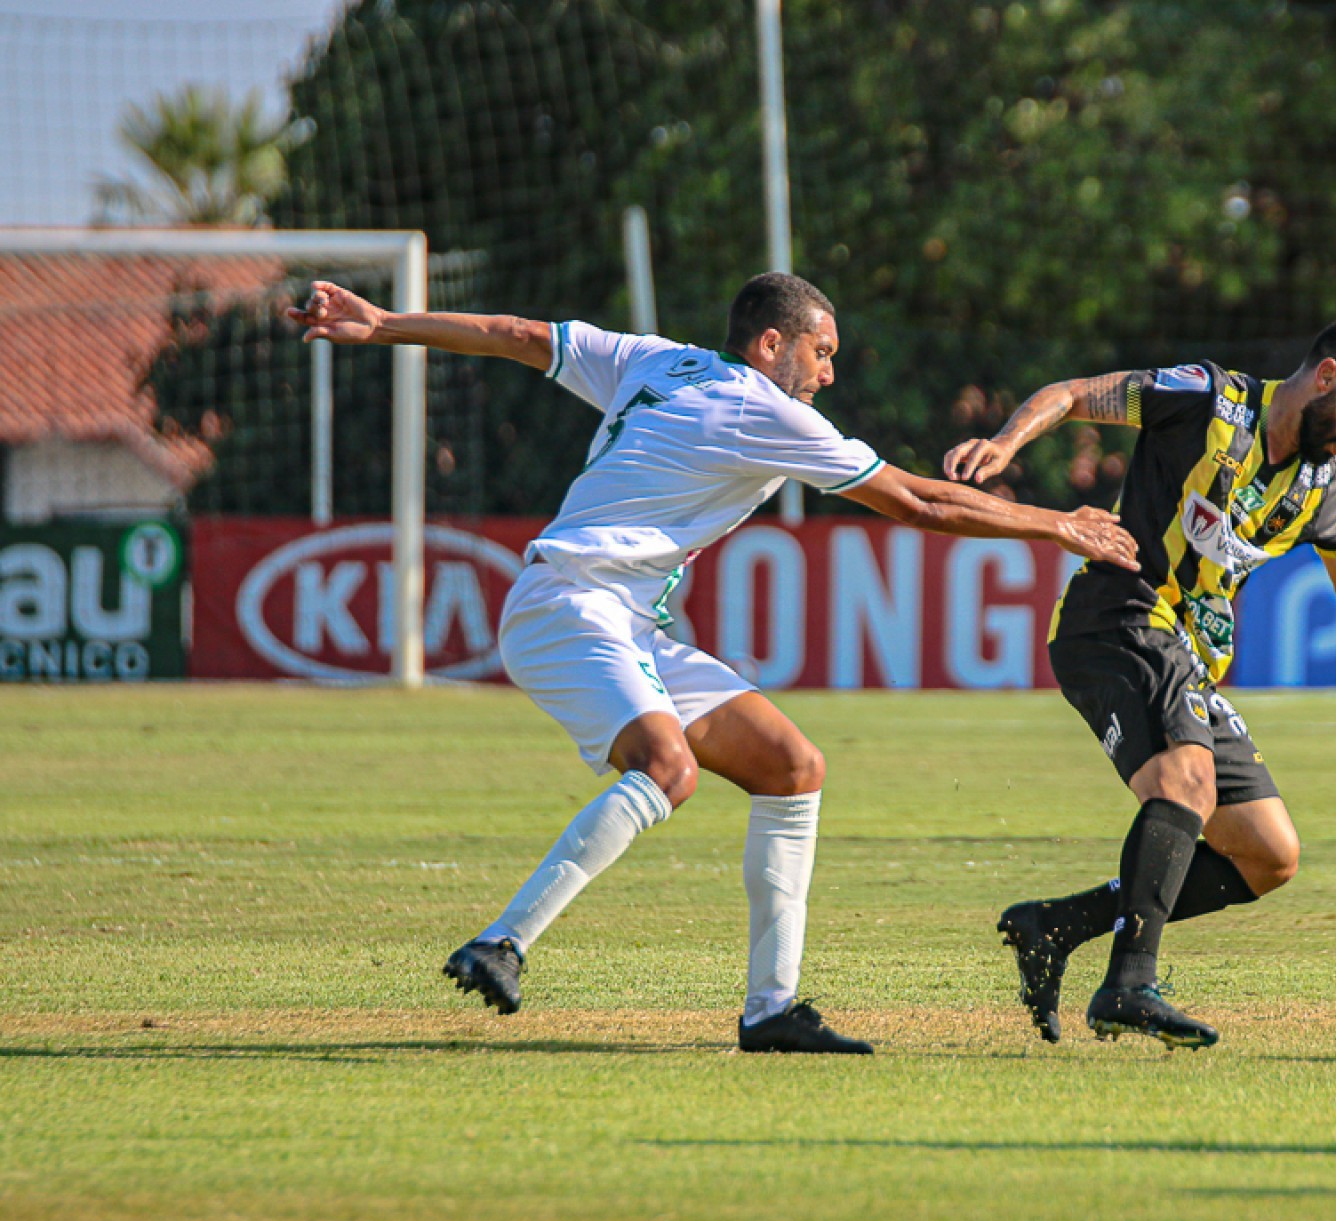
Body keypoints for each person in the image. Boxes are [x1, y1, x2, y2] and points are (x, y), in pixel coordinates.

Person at [286, 273, 1138, 1055]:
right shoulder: (762, 409)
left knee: (791, 766)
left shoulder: (655, 360)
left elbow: (514, 333)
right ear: (772, 345)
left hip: (617, 618)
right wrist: (1055, 524)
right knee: (669, 768)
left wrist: (387, 323)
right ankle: (502, 943)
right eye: (822, 352)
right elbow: (917, 500)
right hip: (571, 607)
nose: (828, 376)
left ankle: (771, 1011)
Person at [943, 313, 1336, 1049]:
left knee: (1268, 852)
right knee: (1186, 782)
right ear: (1326, 377)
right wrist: (1005, 444)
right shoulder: (1206, 399)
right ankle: (1129, 984)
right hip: (1119, 616)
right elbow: (1072, 395)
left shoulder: (1324, 483)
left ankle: (1056, 927)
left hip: (1187, 659)